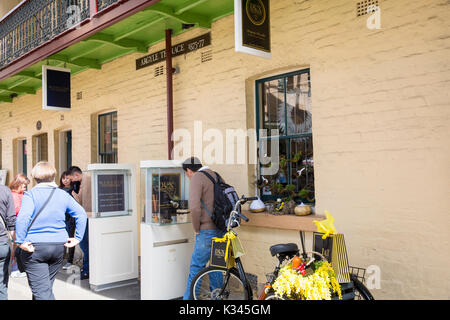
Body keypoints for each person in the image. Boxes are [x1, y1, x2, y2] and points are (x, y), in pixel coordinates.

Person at [15, 161, 87, 300]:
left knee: (42, 292)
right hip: (57, 247)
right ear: (54, 176)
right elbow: (81, 214)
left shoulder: (31, 195)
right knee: (44, 289)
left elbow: (23, 218)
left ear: (35, 177)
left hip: (35, 248)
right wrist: (78, 238)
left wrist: (19, 241)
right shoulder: (63, 195)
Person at [182, 157, 224, 300]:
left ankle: (188, 301)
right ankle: (217, 298)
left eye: (186, 173)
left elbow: (194, 207)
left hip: (206, 231)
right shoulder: (217, 175)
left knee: (196, 267)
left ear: (189, 170)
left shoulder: (197, 178)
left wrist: (196, 228)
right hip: (221, 229)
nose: (187, 176)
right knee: (217, 266)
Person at [67, 166, 91, 280]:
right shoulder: (85, 180)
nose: (72, 181)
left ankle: (87, 270)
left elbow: (82, 203)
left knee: (84, 244)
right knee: (86, 244)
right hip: (88, 216)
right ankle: (87, 268)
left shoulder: (85, 183)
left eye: (72, 179)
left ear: (76, 175)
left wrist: (73, 195)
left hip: (87, 216)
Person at [8, 173, 30, 278]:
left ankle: (18, 268)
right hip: (16, 224)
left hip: (21, 224)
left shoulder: (22, 194)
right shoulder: (13, 195)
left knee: (18, 246)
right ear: (18, 183)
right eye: (24, 184)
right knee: (15, 246)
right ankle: (15, 268)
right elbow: (16, 210)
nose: (25, 186)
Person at [0, 185, 16, 300]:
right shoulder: (5, 190)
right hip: (2, 243)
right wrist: (15, 245)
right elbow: (11, 219)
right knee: (1, 285)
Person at [59, 170, 76, 270]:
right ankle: (59, 258)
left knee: (70, 238)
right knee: (60, 238)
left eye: (67, 178)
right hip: (60, 217)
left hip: (70, 218)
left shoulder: (74, 190)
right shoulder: (59, 189)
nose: (65, 180)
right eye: (63, 178)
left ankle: (70, 260)